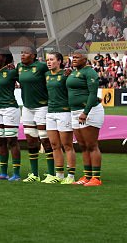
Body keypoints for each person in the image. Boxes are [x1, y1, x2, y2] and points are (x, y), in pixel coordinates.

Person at [67, 49, 103, 186]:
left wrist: (85, 112)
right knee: (83, 145)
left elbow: (93, 94)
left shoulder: (90, 72)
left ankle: (96, 178)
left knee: (92, 145)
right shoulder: (74, 72)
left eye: (77, 57)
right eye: (73, 57)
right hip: (75, 111)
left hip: (89, 111)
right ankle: (87, 176)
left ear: (85, 59)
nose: (74, 59)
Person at [16, 46, 50, 181]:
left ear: (34, 55)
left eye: (25, 53)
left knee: (45, 140)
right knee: (30, 141)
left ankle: (52, 173)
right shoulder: (19, 67)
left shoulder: (41, 67)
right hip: (27, 108)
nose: (22, 55)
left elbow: (55, 74)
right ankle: (34, 174)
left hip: (42, 107)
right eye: (21, 52)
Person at [43, 51, 76, 184]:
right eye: (47, 60)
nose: (49, 62)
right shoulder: (46, 75)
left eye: (51, 59)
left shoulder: (66, 75)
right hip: (50, 112)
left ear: (60, 61)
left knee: (67, 145)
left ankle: (71, 176)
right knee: (54, 145)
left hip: (64, 112)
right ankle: (59, 175)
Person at [0, 50, 20, 180]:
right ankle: (3, 173)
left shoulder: (12, 72)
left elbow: (24, 82)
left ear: (5, 58)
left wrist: (16, 70)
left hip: (10, 109)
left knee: (12, 141)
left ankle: (17, 173)